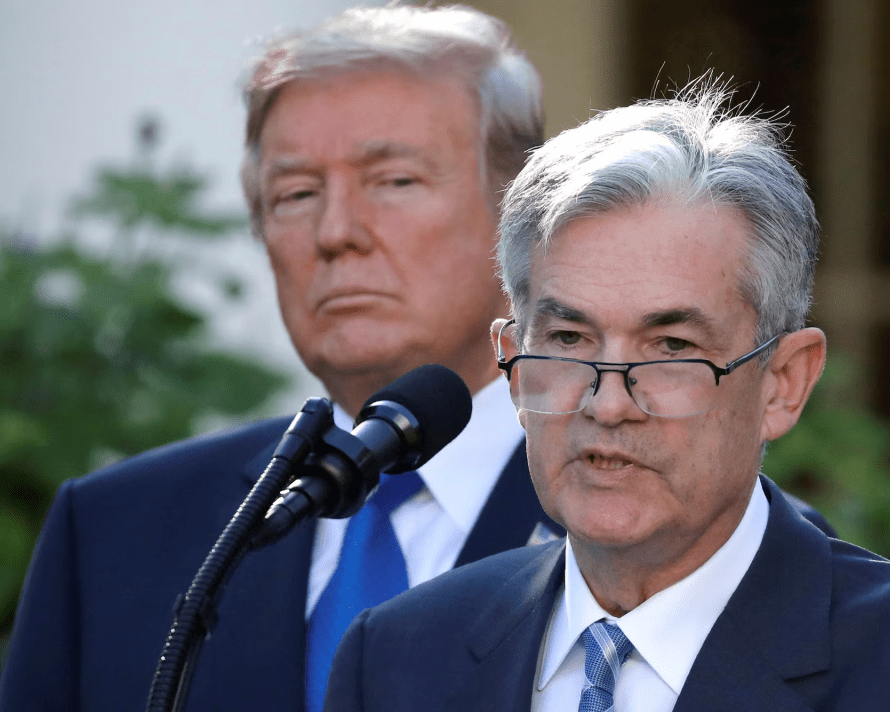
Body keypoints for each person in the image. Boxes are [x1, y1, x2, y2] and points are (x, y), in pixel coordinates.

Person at [0, 7, 832, 712]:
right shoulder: (117, 534)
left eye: (392, 180)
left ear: (522, 213)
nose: (336, 233)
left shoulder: (695, 535)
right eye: (294, 193)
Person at [323, 84, 890, 711]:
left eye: (672, 349)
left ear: (784, 382)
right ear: (511, 362)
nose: (608, 404)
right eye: (569, 339)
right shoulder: (396, 655)